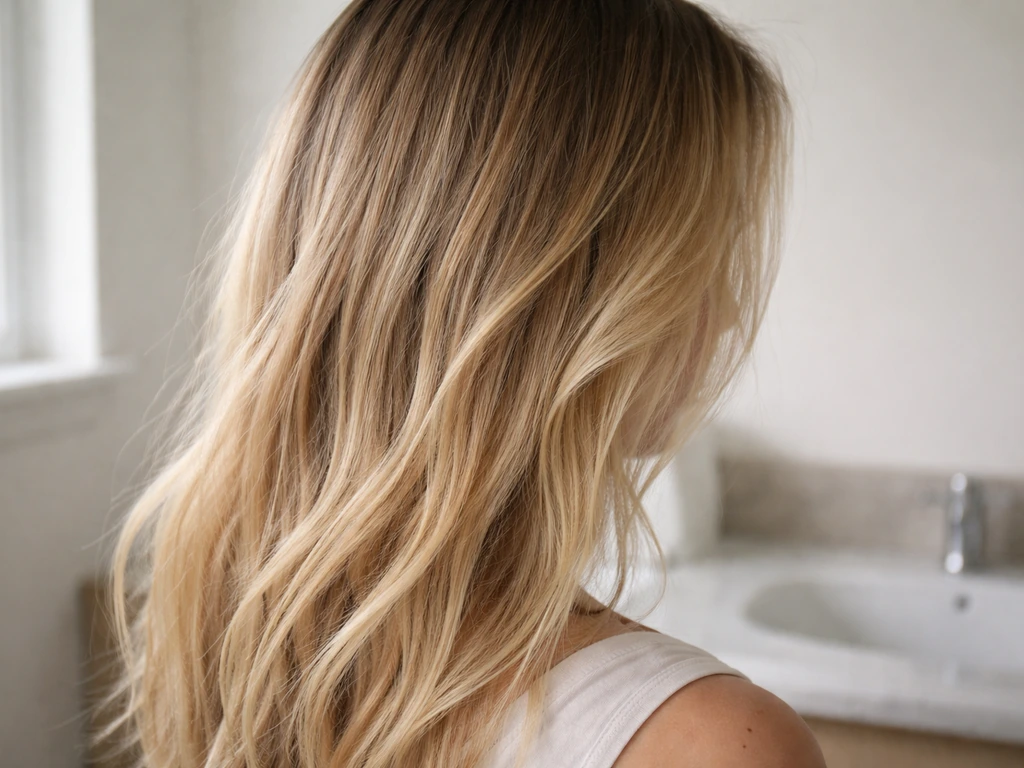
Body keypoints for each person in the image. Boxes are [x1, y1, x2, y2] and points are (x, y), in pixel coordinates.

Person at [109, 1, 824, 766]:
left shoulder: (225, 619)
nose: (726, 316)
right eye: (701, 252)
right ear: (565, 285)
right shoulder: (715, 743)